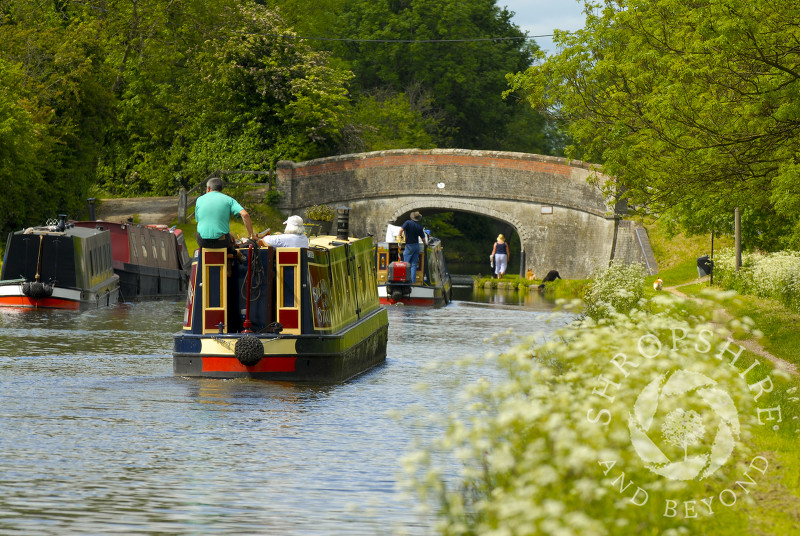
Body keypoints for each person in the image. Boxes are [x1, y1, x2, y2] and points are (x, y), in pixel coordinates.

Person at [195, 177, 256, 261]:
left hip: (203, 241)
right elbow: (245, 214)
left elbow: (200, 221)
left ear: (208, 188)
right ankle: (234, 255)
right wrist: (251, 236)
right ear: (220, 189)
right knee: (229, 242)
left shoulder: (199, 199)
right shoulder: (229, 200)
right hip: (221, 241)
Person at [399, 211, 427, 283]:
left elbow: (401, 230)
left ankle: (405, 280)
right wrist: (425, 243)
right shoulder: (419, 226)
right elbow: (423, 238)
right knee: (414, 265)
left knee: (406, 264)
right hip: (416, 246)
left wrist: (400, 236)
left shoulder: (407, 222)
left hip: (409, 246)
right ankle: (413, 281)